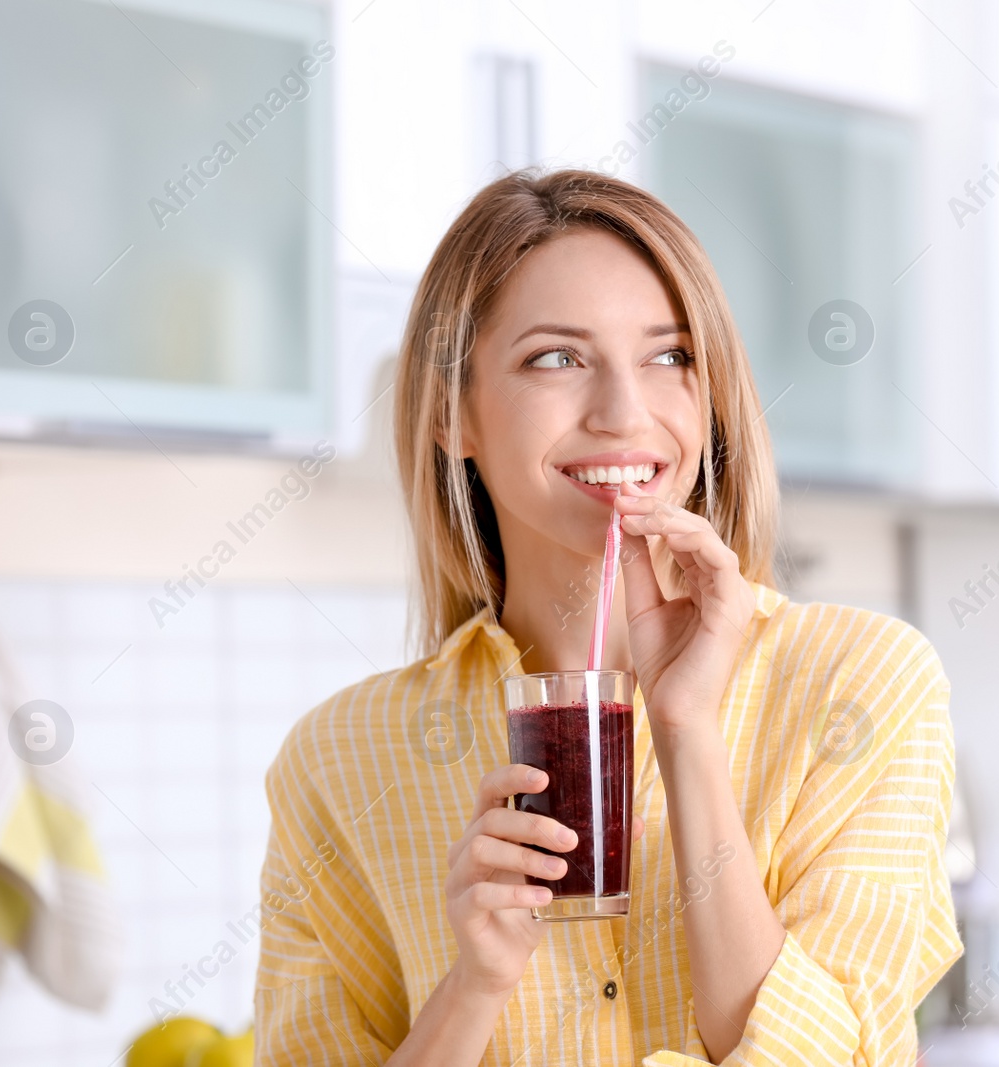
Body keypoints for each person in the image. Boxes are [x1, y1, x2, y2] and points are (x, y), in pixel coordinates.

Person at [253, 169, 961, 1065]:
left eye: (670, 356)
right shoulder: (339, 760)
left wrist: (686, 731)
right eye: (557, 358)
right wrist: (473, 986)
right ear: (452, 413)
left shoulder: (861, 685)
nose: (626, 413)